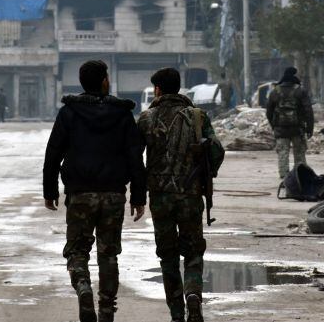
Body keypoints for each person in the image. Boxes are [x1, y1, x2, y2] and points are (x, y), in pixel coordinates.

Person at [43, 60, 146, 322]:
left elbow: (53, 153)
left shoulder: (69, 112)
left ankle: (83, 287)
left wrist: (50, 190)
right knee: (108, 253)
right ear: (103, 81)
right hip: (113, 194)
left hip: (80, 194)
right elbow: (135, 155)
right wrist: (138, 195)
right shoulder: (122, 114)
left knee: (77, 251)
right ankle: (107, 310)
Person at [137, 68, 225, 322]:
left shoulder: (146, 118)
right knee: (194, 252)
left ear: (158, 90)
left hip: (160, 197)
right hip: (190, 195)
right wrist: (206, 175)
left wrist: (139, 192)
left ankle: (176, 313)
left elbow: (133, 157)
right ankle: (194, 295)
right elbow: (217, 151)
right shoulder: (197, 117)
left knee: (167, 256)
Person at [266, 67, 314, 180]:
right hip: (297, 129)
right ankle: (301, 178)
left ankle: (285, 179)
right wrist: (310, 128)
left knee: (283, 154)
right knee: (299, 154)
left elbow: (269, 112)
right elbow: (308, 111)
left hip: (281, 129)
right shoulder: (300, 91)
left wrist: (274, 126)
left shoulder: (275, 91)